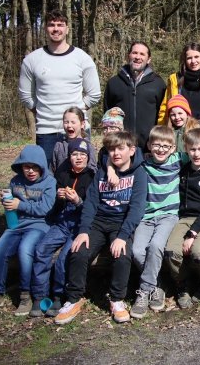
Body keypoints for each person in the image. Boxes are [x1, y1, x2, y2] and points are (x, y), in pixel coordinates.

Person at [54, 131, 147, 325]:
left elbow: (137, 209)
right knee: (78, 251)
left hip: (121, 223)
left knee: (122, 255)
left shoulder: (139, 173)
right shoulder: (102, 173)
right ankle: (74, 298)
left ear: (131, 150)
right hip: (97, 221)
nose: (115, 153)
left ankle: (117, 299)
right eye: (111, 149)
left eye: (120, 148)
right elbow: (90, 204)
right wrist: (83, 231)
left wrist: (123, 235)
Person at [129, 126, 200, 319]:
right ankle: (158, 284)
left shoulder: (178, 160)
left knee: (157, 246)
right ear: (149, 146)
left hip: (169, 215)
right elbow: (117, 156)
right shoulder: (143, 164)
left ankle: (144, 290)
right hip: (147, 217)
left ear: (173, 148)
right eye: (156, 145)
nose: (160, 149)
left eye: (166, 146)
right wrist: (110, 168)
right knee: (136, 251)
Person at [0, 145, 55, 315]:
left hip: (39, 225)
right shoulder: (15, 181)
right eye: (26, 167)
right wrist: (6, 201)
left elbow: (45, 208)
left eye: (34, 167)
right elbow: (12, 207)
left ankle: (25, 295)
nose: (30, 171)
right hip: (17, 225)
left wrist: (20, 204)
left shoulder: (50, 182)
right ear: (21, 167)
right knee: (0, 251)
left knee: (25, 250)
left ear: (42, 167)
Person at [18, 10, 102, 164]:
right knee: (49, 177)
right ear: (45, 28)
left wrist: (77, 112)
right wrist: (42, 111)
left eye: (60, 25)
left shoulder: (82, 58)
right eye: (51, 25)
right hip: (46, 132)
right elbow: (25, 96)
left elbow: (94, 94)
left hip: (78, 132)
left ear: (67, 29)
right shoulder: (32, 60)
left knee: (81, 176)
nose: (56, 29)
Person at [29, 138, 96, 318]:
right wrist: (59, 198)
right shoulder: (62, 173)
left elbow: (92, 209)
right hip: (62, 220)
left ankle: (59, 295)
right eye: (75, 154)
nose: (79, 158)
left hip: (80, 223)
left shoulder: (92, 177)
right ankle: (39, 295)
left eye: (83, 155)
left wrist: (77, 201)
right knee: (42, 249)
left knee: (64, 257)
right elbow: (53, 208)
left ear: (88, 157)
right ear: (69, 156)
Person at [163, 128, 200, 309]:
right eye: (192, 149)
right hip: (184, 218)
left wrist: (193, 233)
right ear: (186, 149)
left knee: (198, 251)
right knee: (171, 251)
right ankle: (183, 285)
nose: (196, 154)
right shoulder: (182, 170)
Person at [158, 43, 200, 150]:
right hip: (179, 136)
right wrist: (162, 135)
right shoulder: (174, 80)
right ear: (185, 60)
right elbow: (164, 109)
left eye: (196, 57)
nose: (193, 61)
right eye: (189, 58)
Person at [104, 41, 168, 148]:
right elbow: (107, 114)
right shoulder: (114, 83)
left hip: (149, 149)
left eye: (142, 54)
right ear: (128, 55)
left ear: (149, 59)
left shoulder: (158, 84)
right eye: (135, 53)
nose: (138, 57)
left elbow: (162, 116)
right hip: (120, 146)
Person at [50, 107, 98, 173]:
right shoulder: (59, 146)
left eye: (73, 122)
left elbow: (93, 169)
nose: (69, 125)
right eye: (66, 122)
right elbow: (52, 170)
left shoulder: (88, 146)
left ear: (82, 124)